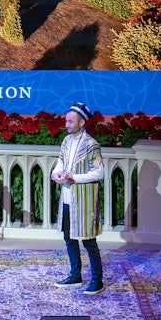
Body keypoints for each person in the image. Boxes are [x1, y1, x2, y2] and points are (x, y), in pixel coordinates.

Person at [51, 102, 105, 295]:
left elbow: (99, 173)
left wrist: (74, 178)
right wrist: (56, 175)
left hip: (84, 201)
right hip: (67, 198)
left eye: (70, 121)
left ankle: (97, 280)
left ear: (82, 122)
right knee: (69, 238)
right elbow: (60, 162)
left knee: (88, 241)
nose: (66, 124)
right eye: (66, 121)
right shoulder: (66, 141)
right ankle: (75, 275)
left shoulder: (91, 145)